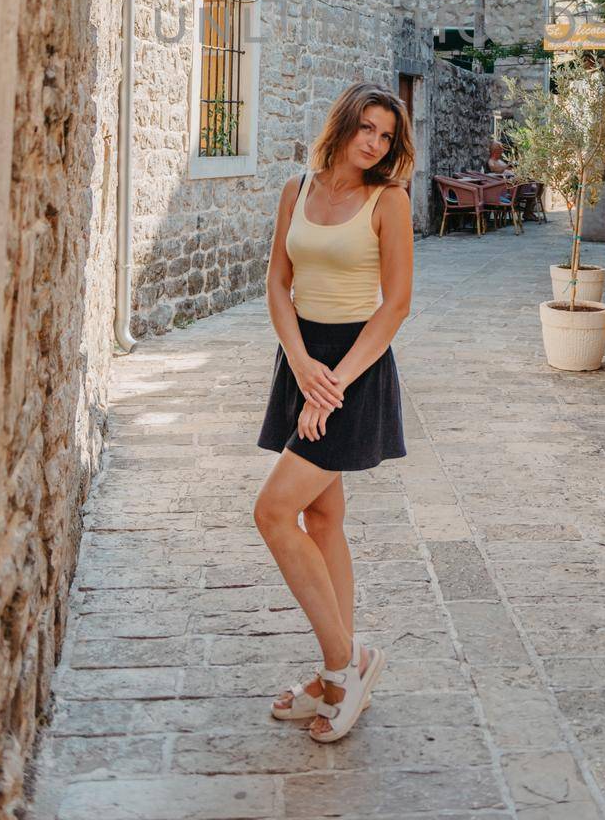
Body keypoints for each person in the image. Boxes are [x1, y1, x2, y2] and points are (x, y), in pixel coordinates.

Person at [253, 83, 415, 743]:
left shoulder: (390, 201)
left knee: (271, 511)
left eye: (386, 135)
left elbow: (396, 305)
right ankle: (342, 667)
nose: (375, 143)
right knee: (322, 515)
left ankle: (343, 666)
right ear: (344, 125)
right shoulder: (298, 188)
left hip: (354, 367)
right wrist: (298, 365)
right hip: (304, 360)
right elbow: (276, 283)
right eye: (367, 129)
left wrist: (333, 386)